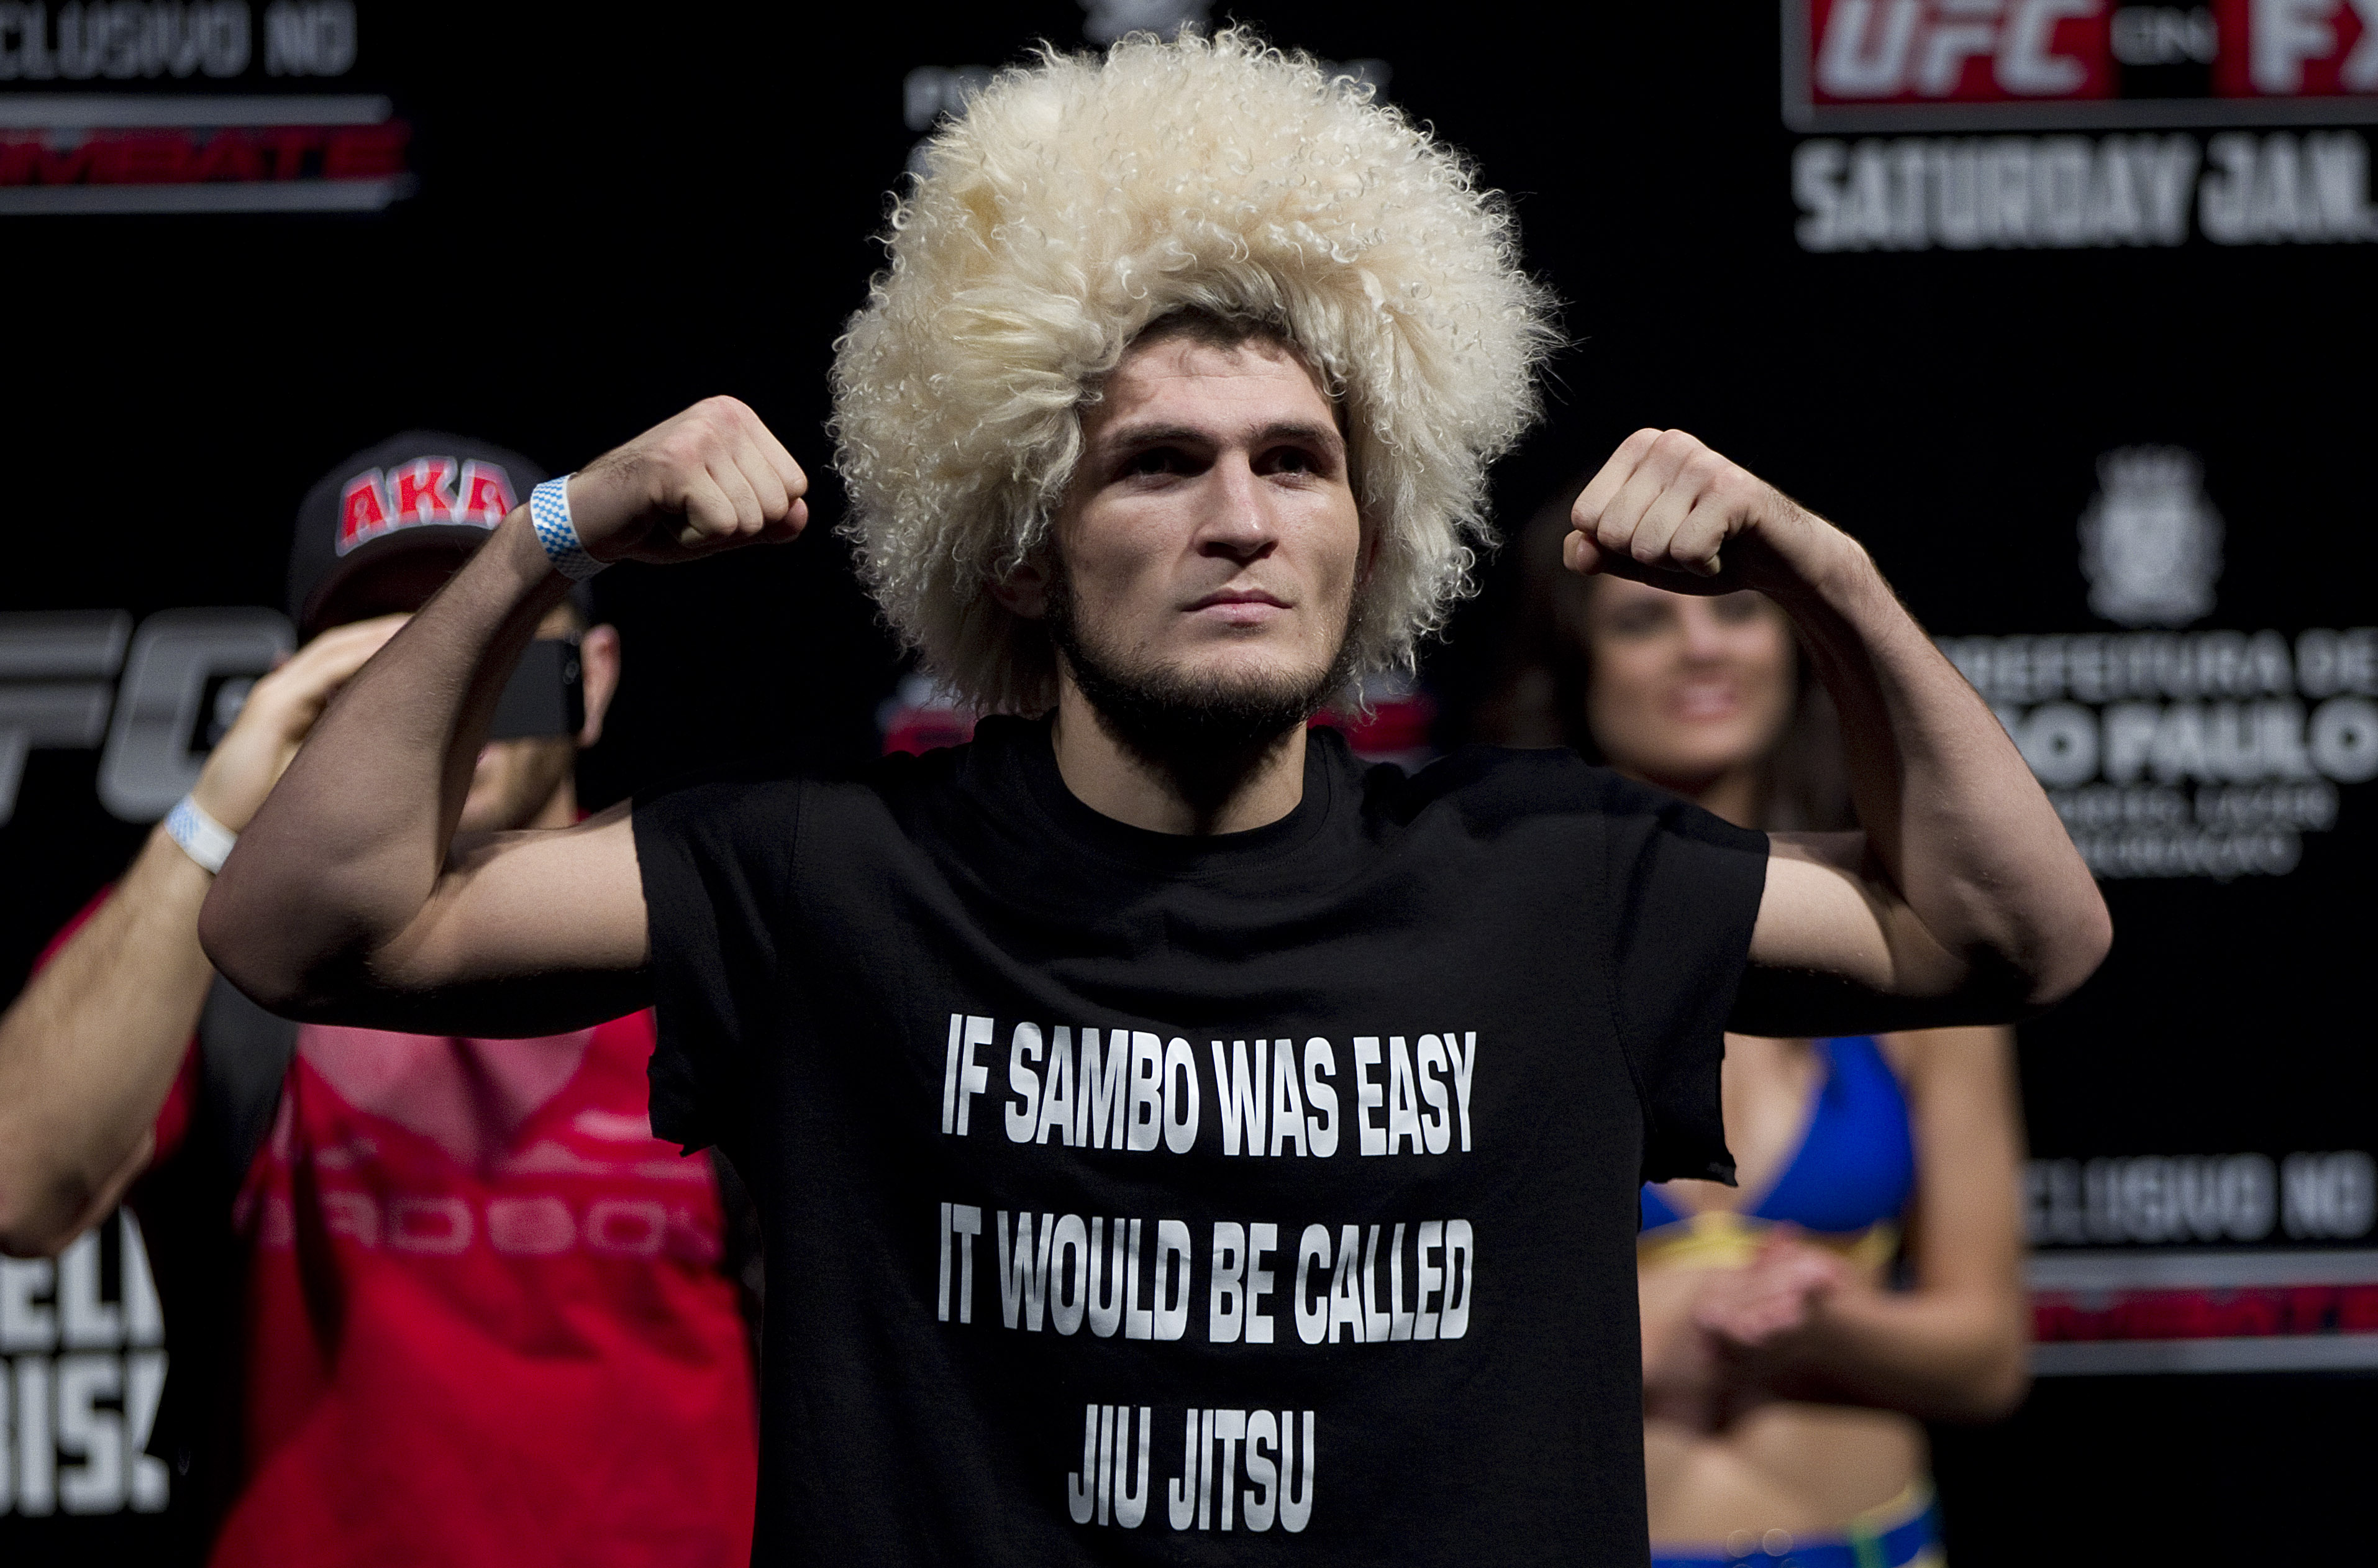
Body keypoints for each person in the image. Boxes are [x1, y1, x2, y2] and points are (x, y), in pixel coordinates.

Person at [198, 31, 2107, 1567]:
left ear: (1373, 531)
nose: (1241, 518)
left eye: (1298, 461)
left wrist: (1827, 576)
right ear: (1021, 547)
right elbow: (307, 924)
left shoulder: (1550, 874)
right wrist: (546, 535)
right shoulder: (833, 871)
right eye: (1159, 464)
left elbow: (2015, 929)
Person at [0, 434, 758, 1568]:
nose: (452, 686)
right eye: (394, 652)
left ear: (592, 678)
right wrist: (218, 811)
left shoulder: (707, 935)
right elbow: (18, 1189)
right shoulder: (218, 951)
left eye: (498, 633)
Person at [1488, 496, 2030, 1567]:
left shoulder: (1910, 955)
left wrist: (1824, 1325)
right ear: (1576, 667)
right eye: (1642, 622)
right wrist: (1646, 1329)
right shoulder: (1496, 961)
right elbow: (1387, 1359)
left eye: (1736, 610)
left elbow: (1989, 1360)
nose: (1702, 647)